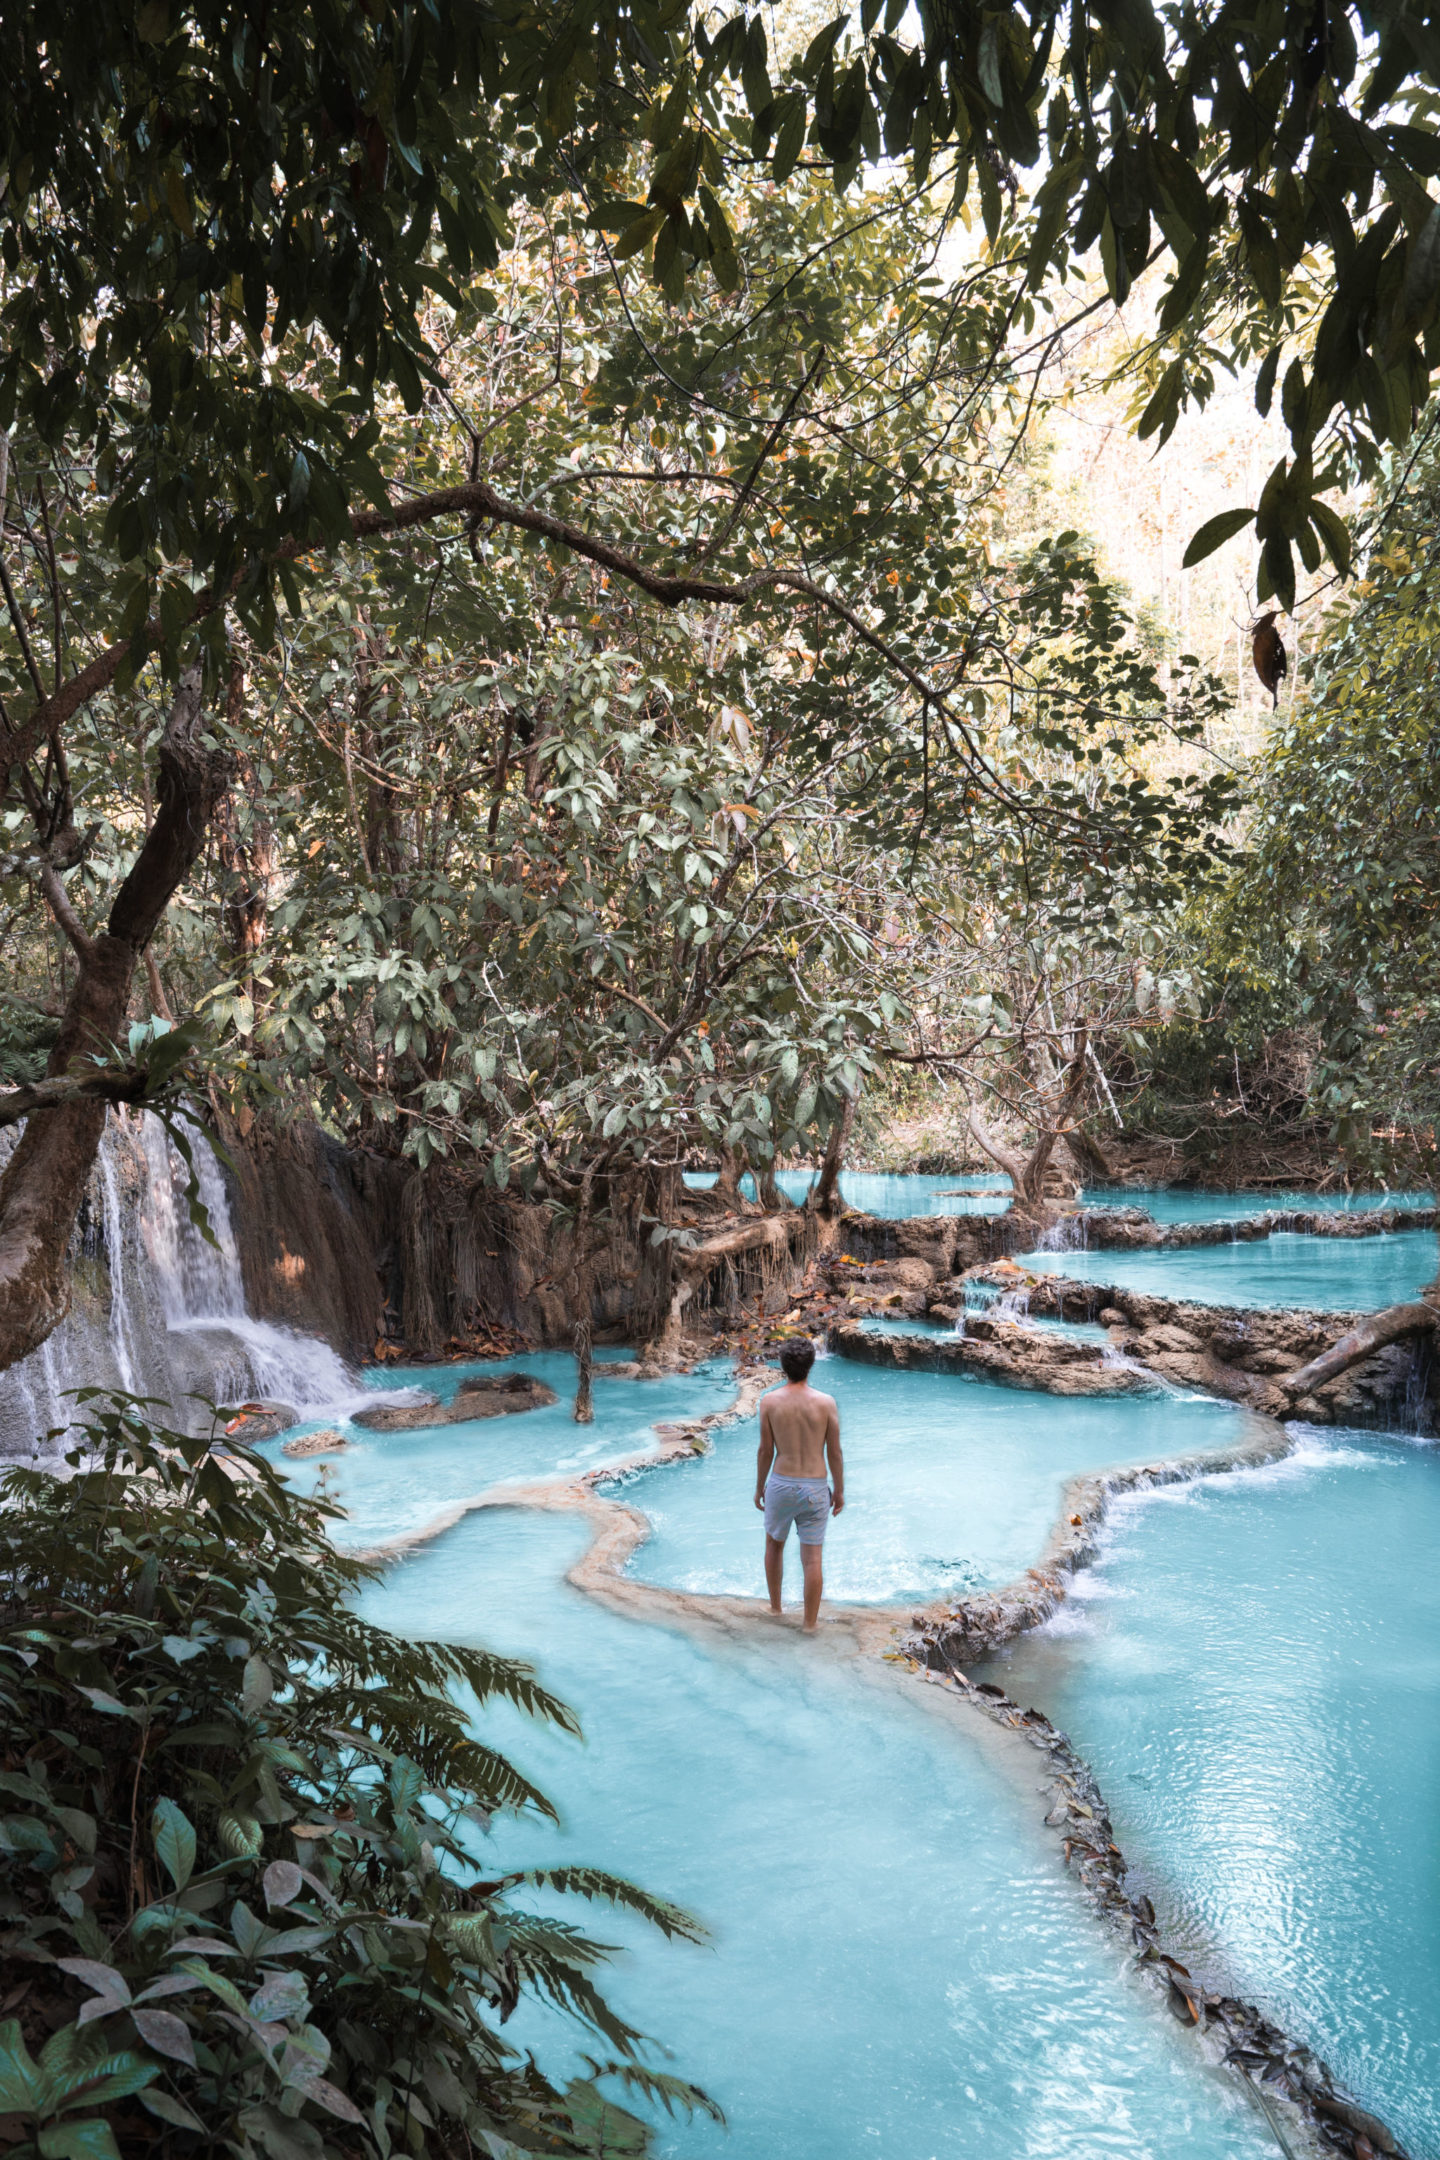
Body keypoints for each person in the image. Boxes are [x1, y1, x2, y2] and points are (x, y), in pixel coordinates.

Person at [754, 1338, 844, 1632]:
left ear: (782, 1365)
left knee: (774, 1545)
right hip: (815, 1487)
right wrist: (840, 1490)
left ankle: (776, 1609)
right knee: (812, 1557)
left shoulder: (769, 1401)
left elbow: (766, 1451)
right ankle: (809, 1625)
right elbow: (834, 1452)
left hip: (781, 1483)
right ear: (811, 1365)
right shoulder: (826, 1403)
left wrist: (759, 1487)